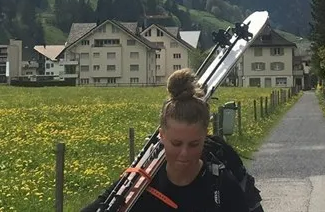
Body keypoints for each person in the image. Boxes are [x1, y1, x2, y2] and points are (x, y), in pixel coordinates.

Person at [82, 68, 251, 212]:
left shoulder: (222, 187)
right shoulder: (137, 186)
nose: (184, 154)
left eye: (194, 144)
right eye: (176, 143)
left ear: (205, 136)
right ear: (161, 136)